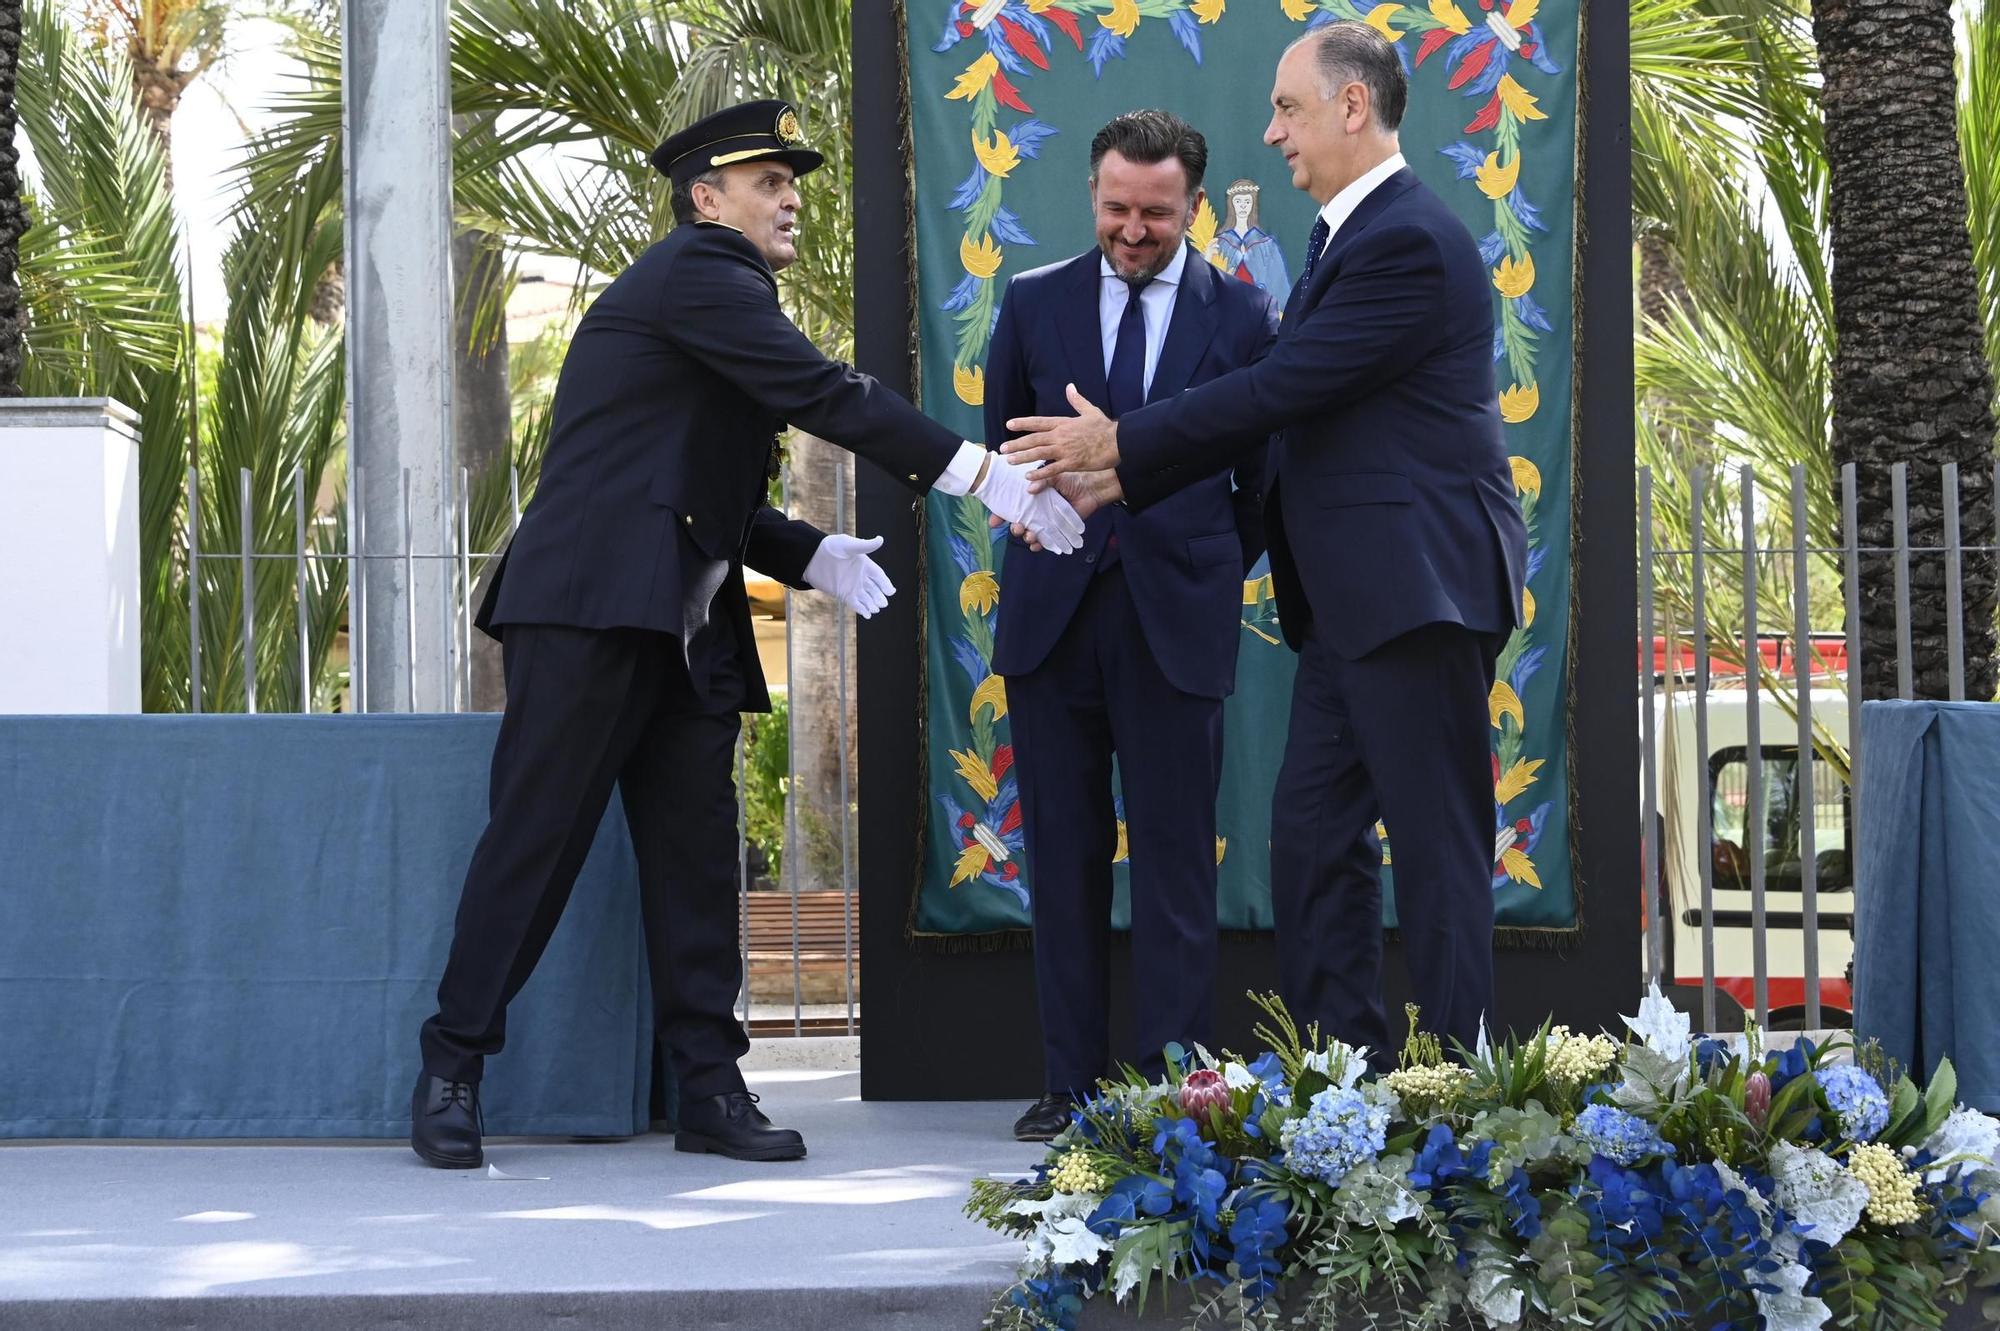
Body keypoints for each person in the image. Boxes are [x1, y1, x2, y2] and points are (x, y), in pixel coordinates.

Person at [410, 99, 1083, 1170]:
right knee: (533, 844)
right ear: (704, 198)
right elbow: (824, 392)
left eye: (792, 185)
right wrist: (987, 477)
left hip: (682, 613)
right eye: (768, 182)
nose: (789, 201)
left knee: (694, 864)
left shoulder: (710, 297)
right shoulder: (699, 276)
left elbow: (685, 473)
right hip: (592, 607)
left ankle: (709, 1089)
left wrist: (806, 549)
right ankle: (451, 1066)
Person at [1000, 25, 1529, 1060]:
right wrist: (1123, 462)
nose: (1269, 130)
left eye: (1286, 108)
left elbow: (1282, 388)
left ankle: (1467, 1094)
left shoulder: (1407, 239)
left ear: (1350, 107)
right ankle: (1345, 1082)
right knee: (1311, 846)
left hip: (1417, 592)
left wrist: (1122, 442)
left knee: (1436, 855)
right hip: (1348, 607)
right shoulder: (1346, 236)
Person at [986, 112, 1277, 1141]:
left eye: (1155, 212)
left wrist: (1194, 563)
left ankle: (1171, 1084)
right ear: (1092, 196)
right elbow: (1001, 450)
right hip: (1050, 624)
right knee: (1058, 859)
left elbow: (1258, 486)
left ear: (1193, 206)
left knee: (1172, 862)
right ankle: (1068, 1082)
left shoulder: (1243, 319)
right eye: (1116, 208)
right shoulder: (1030, 305)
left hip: (1175, 623)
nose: (1133, 229)